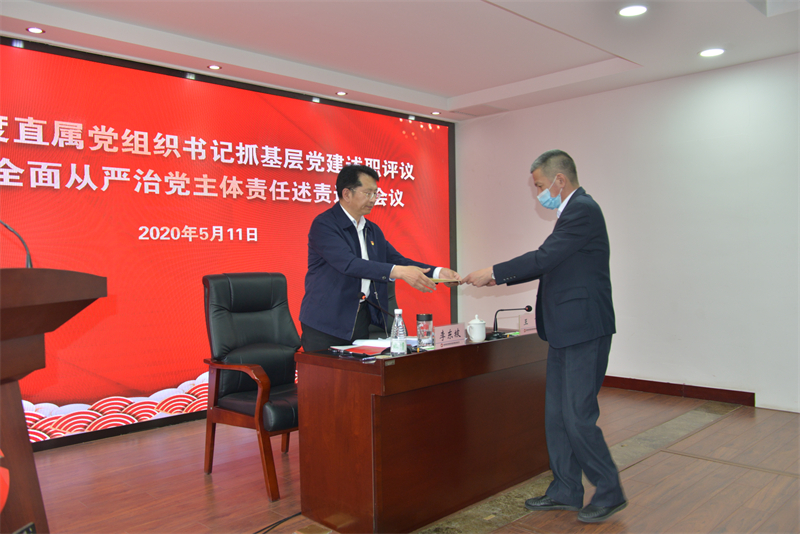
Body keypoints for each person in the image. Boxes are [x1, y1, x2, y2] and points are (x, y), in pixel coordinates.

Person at [463, 150, 626, 523]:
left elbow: (544, 258)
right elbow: (550, 263)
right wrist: (495, 275)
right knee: (556, 415)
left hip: (584, 330)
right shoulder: (570, 214)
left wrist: (494, 272)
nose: (538, 193)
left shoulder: (583, 210)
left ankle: (610, 490)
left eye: (539, 186)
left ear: (559, 180)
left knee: (578, 416)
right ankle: (566, 489)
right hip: (565, 330)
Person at [299, 164, 460, 352]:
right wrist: (398, 272)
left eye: (375, 193)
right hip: (325, 322)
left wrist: (438, 273)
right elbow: (349, 264)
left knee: (361, 370)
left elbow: (397, 260)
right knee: (327, 372)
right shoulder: (324, 225)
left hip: (359, 318)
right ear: (347, 194)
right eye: (368, 193)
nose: (373, 199)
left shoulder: (372, 229)